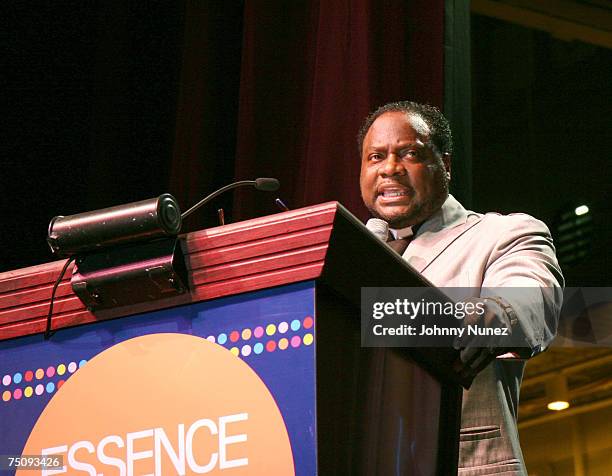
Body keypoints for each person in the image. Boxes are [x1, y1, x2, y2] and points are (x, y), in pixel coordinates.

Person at [358, 101, 564, 475]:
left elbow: (531, 301)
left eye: (410, 153)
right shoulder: (353, 255)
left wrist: (490, 316)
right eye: (376, 157)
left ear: (445, 166)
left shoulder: (502, 234)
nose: (389, 168)